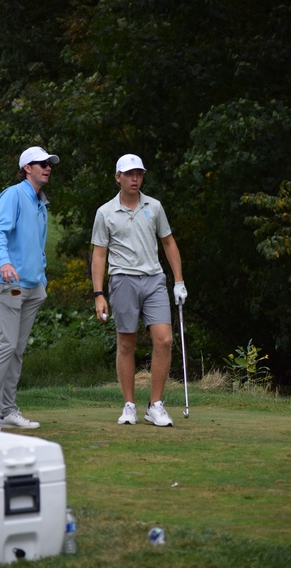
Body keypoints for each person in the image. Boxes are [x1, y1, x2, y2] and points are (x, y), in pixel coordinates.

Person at [91, 153, 187, 427]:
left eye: (139, 174)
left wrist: (178, 281)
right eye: (130, 174)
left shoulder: (154, 206)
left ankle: (155, 405)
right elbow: (99, 254)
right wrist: (98, 294)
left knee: (164, 340)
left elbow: (168, 242)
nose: (135, 179)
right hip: (122, 280)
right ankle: (129, 405)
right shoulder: (105, 212)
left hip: (154, 279)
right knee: (126, 343)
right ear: (118, 177)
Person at [0, 146, 59, 431]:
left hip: (33, 287)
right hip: (8, 284)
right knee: (6, 345)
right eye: (41, 163)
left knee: (17, 349)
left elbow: (38, 245)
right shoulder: (13, 195)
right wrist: (5, 262)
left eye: (49, 163)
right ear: (27, 168)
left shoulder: (40, 203)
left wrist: (42, 278)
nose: (47, 167)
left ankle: (7, 411)